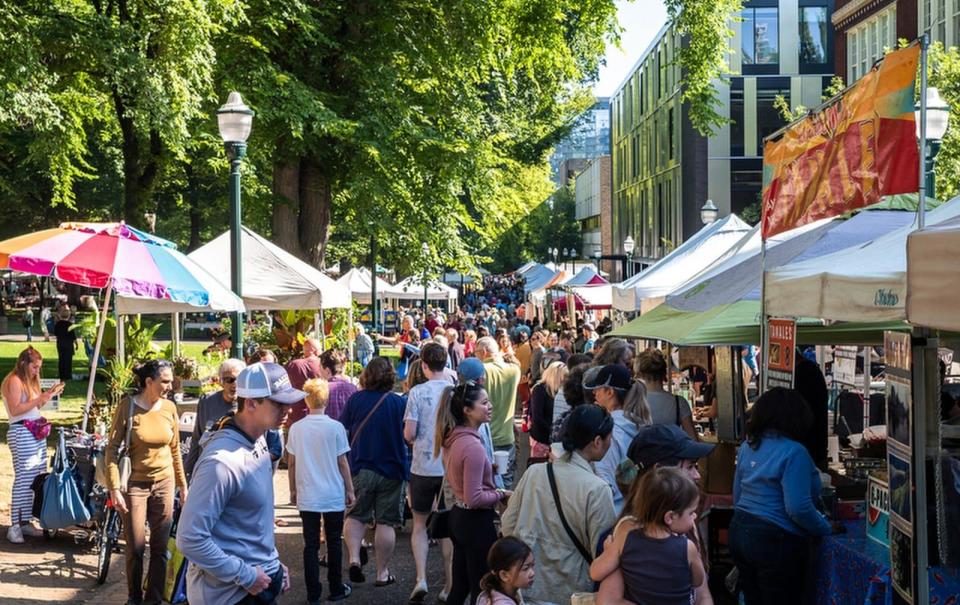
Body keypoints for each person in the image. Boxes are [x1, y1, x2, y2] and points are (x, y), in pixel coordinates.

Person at [178, 362, 300, 605]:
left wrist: (272, 563)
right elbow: (190, 539)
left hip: (255, 584)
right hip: (231, 596)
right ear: (252, 403)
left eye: (289, 401)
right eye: (278, 403)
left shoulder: (259, 439)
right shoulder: (221, 462)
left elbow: (252, 522)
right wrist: (245, 575)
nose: (288, 410)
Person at [501, 404, 617, 605]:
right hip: (573, 592)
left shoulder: (534, 473)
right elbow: (602, 553)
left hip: (528, 587)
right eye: (609, 438)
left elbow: (508, 524)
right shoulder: (597, 489)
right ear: (597, 441)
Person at [729, 387, 834, 605]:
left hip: (740, 530)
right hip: (775, 539)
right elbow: (798, 508)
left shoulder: (748, 447)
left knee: (753, 598)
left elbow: (737, 494)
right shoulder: (794, 452)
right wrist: (825, 527)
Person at [600, 424, 717, 605]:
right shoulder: (629, 531)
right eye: (690, 467)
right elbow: (610, 600)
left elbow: (702, 594)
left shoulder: (684, 520)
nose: (697, 475)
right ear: (660, 471)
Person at [104, 359, 188, 605]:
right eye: (165, 381)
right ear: (148, 382)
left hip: (164, 482)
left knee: (161, 548)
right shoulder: (128, 407)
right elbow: (111, 449)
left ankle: (154, 599)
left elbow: (175, 451)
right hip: (134, 485)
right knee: (136, 547)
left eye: (171, 381)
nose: (170, 386)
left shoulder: (170, 408)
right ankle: (134, 598)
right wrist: (114, 488)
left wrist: (183, 486)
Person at [434, 382, 512, 605]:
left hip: (458, 517)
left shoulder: (454, 438)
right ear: (467, 410)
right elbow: (474, 497)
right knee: (482, 586)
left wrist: (488, 469)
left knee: (460, 586)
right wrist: (500, 494)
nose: (490, 406)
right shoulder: (472, 446)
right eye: (484, 402)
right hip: (475, 521)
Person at [590, 467, 705, 605]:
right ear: (670, 517)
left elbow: (595, 573)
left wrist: (609, 550)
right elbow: (698, 580)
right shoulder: (687, 547)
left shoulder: (625, 539)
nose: (695, 516)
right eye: (691, 512)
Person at [340, 357, 408, 587]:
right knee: (386, 522)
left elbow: (344, 430)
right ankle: (382, 572)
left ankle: (354, 558)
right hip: (392, 468)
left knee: (356, 515)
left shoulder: (355, 400)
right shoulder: (399, 403)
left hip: (361, 465)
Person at [287, 378, 355, 603]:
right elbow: (342, 462)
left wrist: (293, 489)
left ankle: (312, 592)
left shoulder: (297, 428)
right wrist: (350, 490)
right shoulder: (335, 427)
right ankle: (336, 587)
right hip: (333, 492)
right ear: (326, 398)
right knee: (334, 540)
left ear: (306, 399)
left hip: (308, 493)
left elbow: (293, 463)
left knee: (311, 544)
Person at [404, 343, 456, 603]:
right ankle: (448, 584)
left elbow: (409, 434)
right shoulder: (454, 392)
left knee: (420, 525)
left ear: (424, 365)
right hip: (449, 467)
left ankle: (421, 578)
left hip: (422, 467)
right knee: (447, 527)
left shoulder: (416, 393)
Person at [3, 347, 64, 543]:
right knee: (24, 476)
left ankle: (26, 520)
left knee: (36, 475)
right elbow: (15, 409)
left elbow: (33, 407)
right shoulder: (14, 380)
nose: (37, 370)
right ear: (24, 364)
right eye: (35, 367)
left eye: (39, 367)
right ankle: (15, 524)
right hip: (22, 431)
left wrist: (46, 396)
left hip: (34, 431)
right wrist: (41, 398)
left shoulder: (29, 381)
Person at [586, 364, 651, 512]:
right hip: (635, 509)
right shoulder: (634, 424)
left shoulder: (611, 431)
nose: (594, 392)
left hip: (615, 514)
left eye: (598, 388)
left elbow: (606, 483)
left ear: (610, 392)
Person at [184, 358, 245, 479]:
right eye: (230, 380)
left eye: (239, 379)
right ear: (221, 381)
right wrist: (188, 471)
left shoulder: (250, 405)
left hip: (238, 470)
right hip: (209, 468)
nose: (235, 384)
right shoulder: (207, 401)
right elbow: (198, 437)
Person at [474, 336, 521, 488]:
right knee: (505, 483)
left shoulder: (480, 371)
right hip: (507, 436)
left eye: (476, 352)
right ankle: (505, 512)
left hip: (484, 437)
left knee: (484, 483)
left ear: (484, 352)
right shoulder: (514, 371)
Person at [635, 349, 698, 440]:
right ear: (664, 374)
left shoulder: (633, 403)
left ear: (639, 374)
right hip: (673, 453)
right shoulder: (679, 403)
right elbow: (693, 439)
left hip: (643, 453)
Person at [527, 361, 567, 464]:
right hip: (541, 439)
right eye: (564, 377)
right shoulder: (540, 389)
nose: (566, 380)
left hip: (553, 440)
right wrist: (554, 432)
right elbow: (537, 417)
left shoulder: (559, 391)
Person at [477, 537, 536, 605]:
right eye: (525, 568)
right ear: (504, 575)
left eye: (533, 565)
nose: (532, 573)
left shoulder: (493, 593)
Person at [284, 338, 323, 429]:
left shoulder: (293, 365)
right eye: (321, 349)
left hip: (295, 416)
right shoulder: (322, 364)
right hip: (317, 414)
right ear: (315, 351)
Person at [319, 349, 357, 421]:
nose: (319, 371)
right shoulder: (353, 389)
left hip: (326, 430)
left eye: (320, 367)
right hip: (347, 431)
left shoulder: (320, 390)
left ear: (327, 370)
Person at [53, 305, 76, 381]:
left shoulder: (58, 324)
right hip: (68, 344)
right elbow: (73, 336)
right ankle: (67, 375)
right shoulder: (70, 325)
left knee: (61, 359)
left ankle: (61, 374)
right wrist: (76, 343)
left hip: (60, 343)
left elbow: (55, 333)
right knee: (68, 360)